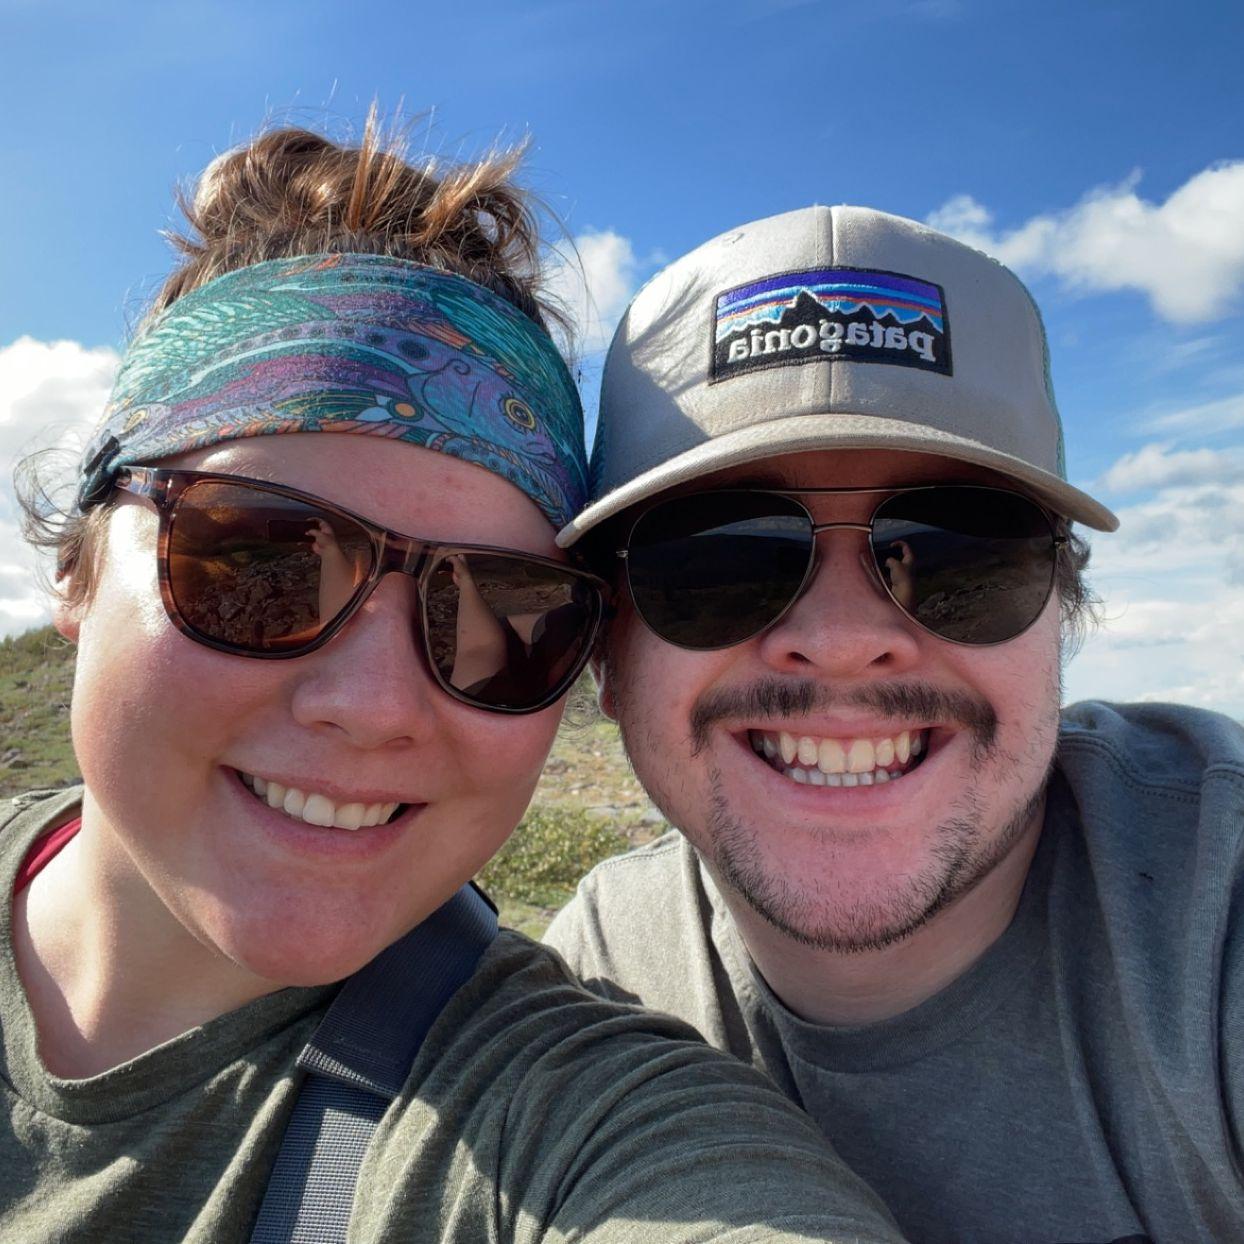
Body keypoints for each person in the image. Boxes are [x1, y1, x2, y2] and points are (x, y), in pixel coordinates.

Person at [2, 135, 910, 1244]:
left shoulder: (576, 1123)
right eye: (257, 565)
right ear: (77, 565)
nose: (375, 703)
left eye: (500, 612)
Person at [546, 205, 1244, 1244]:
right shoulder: (598, 974)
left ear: (1062, 608)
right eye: (713, 559)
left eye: (959, 553)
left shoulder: (1210, 909)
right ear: (605, 650)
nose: (837, 639)